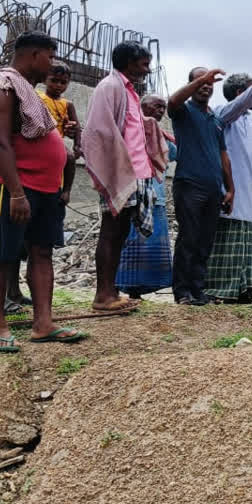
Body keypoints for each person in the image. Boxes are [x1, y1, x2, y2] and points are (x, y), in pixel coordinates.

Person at [0, 31, 84, 352]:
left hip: (47, 188)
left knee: (42, 252)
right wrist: (16, 193)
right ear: (33, 55)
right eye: (49, 57)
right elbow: (0, 143)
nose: (52, 64)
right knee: (0, 254)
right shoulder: (2, 87)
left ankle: (44, 324)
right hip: (18, 187)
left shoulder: (29, 92)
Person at [82, 41, 165, 312]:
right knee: (111, 231)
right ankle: (103, 295)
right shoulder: (110, 87)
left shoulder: (129, 91)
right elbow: (98, 130)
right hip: (120, 173)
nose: (147, 70)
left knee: (120, 234)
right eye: (143, 64)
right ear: (129, 63)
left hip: (136, 174)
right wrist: (111, 170)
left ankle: (111, 291)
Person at [2, 63, 82, 312]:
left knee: (40, 246)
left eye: (63, 82)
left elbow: (75, 130)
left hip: (52, 184)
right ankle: (8, 294)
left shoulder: (66, 105)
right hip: (30, 179)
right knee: (14, 243)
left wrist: (75, 137)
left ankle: (34, 304)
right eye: (54, 80)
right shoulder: (34, 97)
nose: (58, 85)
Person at [204, 69, 252, 303]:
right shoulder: (223, 113)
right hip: (232, 191)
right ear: (241, 92)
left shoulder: (250, 122)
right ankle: (222, 289)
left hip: (250, 193)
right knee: (228, 239)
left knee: (248, 238)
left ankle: (245, 289)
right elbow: (235, 107)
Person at [167, 67, 234, 305]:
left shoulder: (216, 120)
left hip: (214, 188)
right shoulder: (183, 111)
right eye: (199, 81)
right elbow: (172, 101)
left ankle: (198, 290)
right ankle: (182, 292)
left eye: (209, 82)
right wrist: (200, 80)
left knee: (205, 241)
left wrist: (230, 189)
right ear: (191, 84)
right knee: (189, 237)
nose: (205, 85)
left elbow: (223, 156)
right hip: (189, 185)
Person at [116, 95, 176, 299]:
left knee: (151, 247)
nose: (161, 110)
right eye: (157, 106)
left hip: (156, 199)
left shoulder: (162, 136)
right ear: (141, 106)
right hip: (135, 196)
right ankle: (121, 287)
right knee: (131, 243)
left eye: (163, 107)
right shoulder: (131, 129)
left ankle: (139, 291)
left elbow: (175, 153)